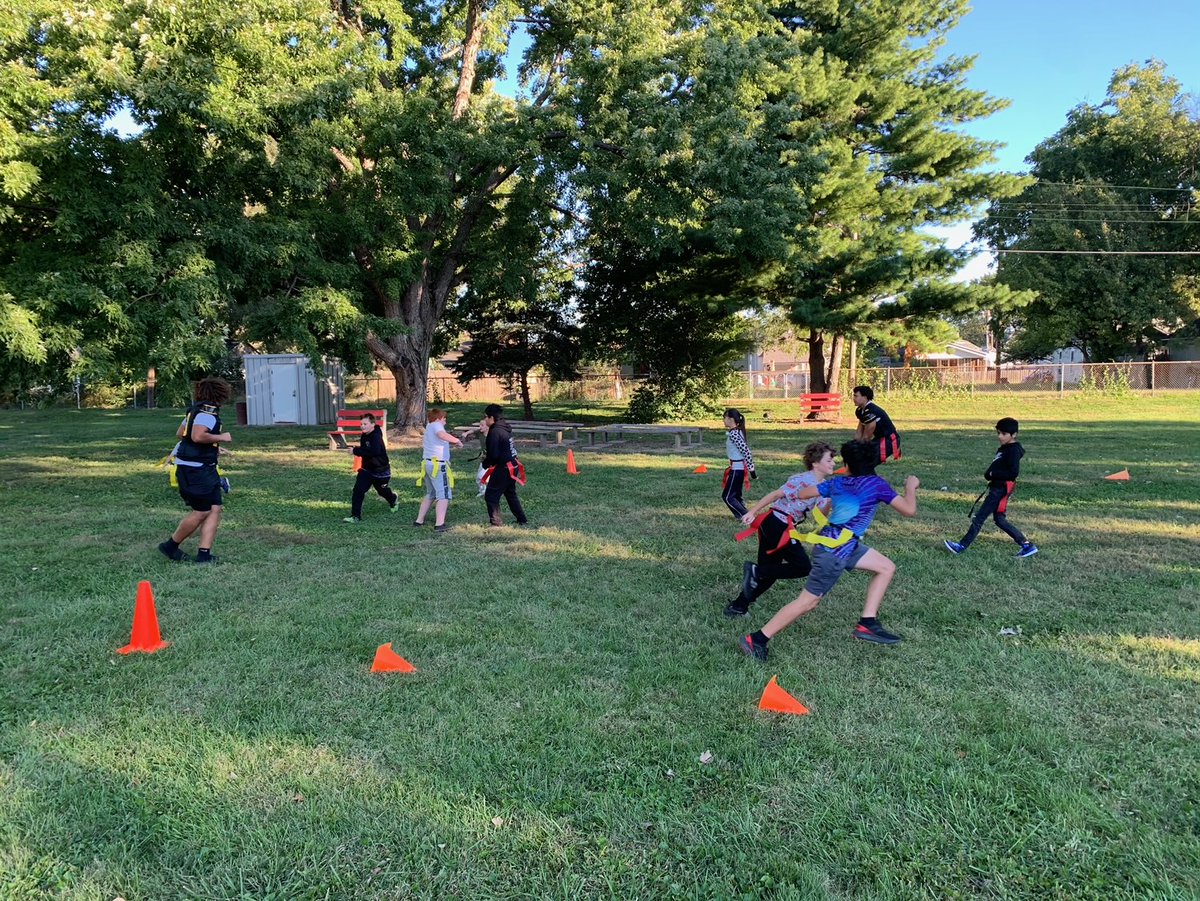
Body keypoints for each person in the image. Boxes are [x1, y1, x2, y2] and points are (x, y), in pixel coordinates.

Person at [738, 439, 919, 661]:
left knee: (885, 567)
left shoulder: (838, 483)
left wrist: (825, 493)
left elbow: (804, 495)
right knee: (808, 602)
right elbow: (909, 510)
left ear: (849, 465)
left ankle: (867, 623)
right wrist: (910, 487)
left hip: (842, 543)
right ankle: (757, 639)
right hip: (834, 552)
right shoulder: (876, 485)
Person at [725, 441, 837, 618]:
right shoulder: (803, 480)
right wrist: (752, 512)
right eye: (829, 460)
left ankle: (738, 607)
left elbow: (819, 515)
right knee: (802, 567)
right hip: (776, 523)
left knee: (769, 573)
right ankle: (755, 572)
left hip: (781, 525)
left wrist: (830, 497)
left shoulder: (823, 486)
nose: (834, 463)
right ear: (816, 462)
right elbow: (776, 494)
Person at [158, 376, 233, 564]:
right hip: (195, 470)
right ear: (220, 393)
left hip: (202, 467)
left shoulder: (195, 411)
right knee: (201, 511)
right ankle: (170, 546)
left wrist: (214, 446)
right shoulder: (207, 413)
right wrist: (221, 437)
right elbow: (198, 436)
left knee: (215, 508)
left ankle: (204, 555)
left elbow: (181, 434)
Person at [945, 417, 1038, 558]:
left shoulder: (1013, 451)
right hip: (996, 487)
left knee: (979, 518)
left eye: (1004, 434)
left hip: (1000, 489)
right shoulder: (1005, 448)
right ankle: (1026, 545)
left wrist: (993, 474)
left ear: (1013, 435)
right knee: (999, 519)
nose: (1000, 436)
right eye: (999, 433)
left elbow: (1013, 473)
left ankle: (961, 546)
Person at [414, 407, 464, 533]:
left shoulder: (429, 427)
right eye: (444, 418)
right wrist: (456, 441)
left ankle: (419, 520)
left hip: (427, 464)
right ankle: (439, 524)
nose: (445, 421)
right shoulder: (436, 426)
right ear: (438, 418)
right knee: (443, 494)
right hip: (438, 466)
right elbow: (441, 435)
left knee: (430, 493)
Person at [343, 413, 398, 523]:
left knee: (382, 491)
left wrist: (356, 451)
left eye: (365, 424)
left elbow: (375, 451)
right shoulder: (365, 435)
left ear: (373, 424)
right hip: (367, 470)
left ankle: (393, 499)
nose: (362, 426)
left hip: (381, 470)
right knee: (358, 491)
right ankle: (355, 516)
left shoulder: (376, 436)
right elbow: (365, 449)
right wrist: (358, 449)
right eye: (361, 424)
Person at [481, 403, 528, 527]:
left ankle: (496, 523)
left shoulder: (495, 432)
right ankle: (522, 519)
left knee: (491, 495)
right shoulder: (505, 428)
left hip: (504, 468)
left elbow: (494, 454)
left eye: (486, 416)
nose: (484, 419)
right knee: (510, 493)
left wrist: (486, 462)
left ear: (491, 418)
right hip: (512, 465)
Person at [720, 408, 757, 519]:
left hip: (737, 470)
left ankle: (745, 516)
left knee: (728, 497)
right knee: (735, 496)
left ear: (731, 419)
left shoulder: (734, 434)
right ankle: (744, 516)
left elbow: (746, 451)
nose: (723, 420)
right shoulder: (735, 432)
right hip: (736, 469)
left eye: (724, 417)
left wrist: (752, 470)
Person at [852, 385, 901, 464]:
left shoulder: (871, 411)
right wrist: (854, 445)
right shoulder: (860, 410)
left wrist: (861, 447)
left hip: (889, 440)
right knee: (863, 459)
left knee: (868, 461)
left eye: (856, 396)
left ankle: (865, 475)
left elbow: (868, 432)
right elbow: (859, 430)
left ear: (865, 397)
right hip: (880, 439)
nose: (853, 398)